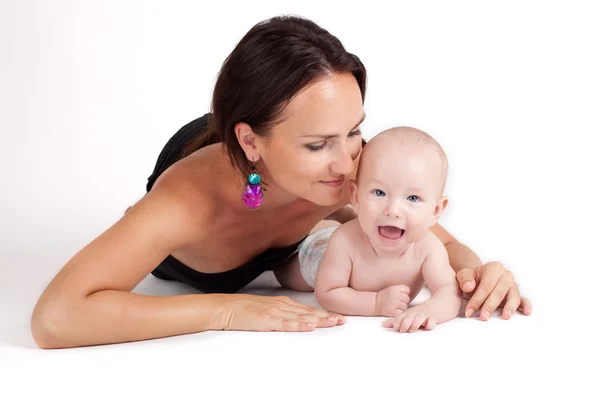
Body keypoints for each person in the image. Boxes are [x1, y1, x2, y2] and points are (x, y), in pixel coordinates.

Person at [30, 15, 531, 349]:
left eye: (354, 131)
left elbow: (434, 237)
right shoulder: (184, 204)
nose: (348, 163)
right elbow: (54, 318)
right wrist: (226, 312)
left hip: (274, 173)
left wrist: (478, 272)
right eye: (319, 145)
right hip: (210, 174)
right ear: (251, 143)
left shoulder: (352, 161)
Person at [311, 127, 462, 333]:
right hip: (316, 251)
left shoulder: (428, 248)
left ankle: (339, 214)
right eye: (379, 192)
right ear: (355, 196)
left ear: (436, 210)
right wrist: (376, 303)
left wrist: (429, 310)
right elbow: (327, 293)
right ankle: (325, 219)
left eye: (412, 198)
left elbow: (450, 291)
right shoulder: (344, 241)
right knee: (288, 269)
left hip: (358, 229)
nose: (393, 211)